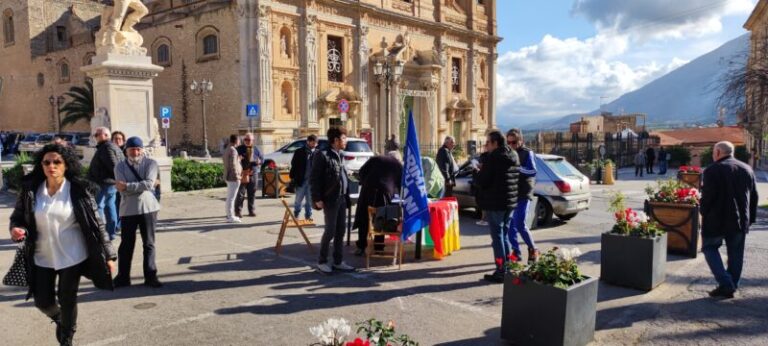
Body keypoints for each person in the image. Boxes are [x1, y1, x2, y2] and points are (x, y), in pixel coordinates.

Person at [9, 144, 116, 345]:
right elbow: (17, 217)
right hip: (42, 256)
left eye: (57, 162)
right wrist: (16, 228)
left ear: (66, 165)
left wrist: (109, 255)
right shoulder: (31, 190)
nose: (52, 166)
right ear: (41, 165)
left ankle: (67, 337)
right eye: (46, 162)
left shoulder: (79, 190)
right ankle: (60, 319)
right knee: (43, 302)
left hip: (72, 255)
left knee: (68, 300)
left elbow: (97, 225)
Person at [700, 141, 758, 299]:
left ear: (718, 152)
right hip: (739, 221)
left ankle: (726, 284)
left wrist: (702, 212)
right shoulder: (747, 169)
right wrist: (750, 219)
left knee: (709, 248)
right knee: (736, 254)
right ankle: (731, 285)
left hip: (715, 220)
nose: (713, 155)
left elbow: (707, 197)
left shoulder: (712, 170)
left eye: (713, 152)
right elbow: (754, 197)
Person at [113, 137, 162, 288]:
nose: (135, 152)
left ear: (142, 150)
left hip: (148, 208)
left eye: (138, 149)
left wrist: (127, 186)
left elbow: (148, 184)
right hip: (128, 209)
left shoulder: (151, 163)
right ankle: (123, 277)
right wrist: (140, 187)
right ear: (126, 150)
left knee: (149, 243)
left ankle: (150, 276)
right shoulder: (119, 167)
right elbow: (124, 187)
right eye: (132, 149)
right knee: (126, 244)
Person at [474, 130, 519, 283]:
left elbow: (483, 180)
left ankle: (501, 270)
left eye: (488, 142)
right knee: (504, 234)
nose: (487, 145)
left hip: (496, 202)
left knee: (498, 237)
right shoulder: (513, 154)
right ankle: (508, 267)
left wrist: (477, 171)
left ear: (495, 143)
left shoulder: (493, 158)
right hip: (510, 202)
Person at [311, 126, 355, 273]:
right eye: (344, 138)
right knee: (330, 230)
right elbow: (314, 178)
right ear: (335, 140)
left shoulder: (340, 154)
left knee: (341, 230)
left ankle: (337, 261)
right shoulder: (322, 155)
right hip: (330, 199)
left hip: (341, 198)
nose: (346, 140)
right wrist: (317, 198)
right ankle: (322, 261)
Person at [352, 154, 403, 256]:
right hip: (385, 193)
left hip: (367, 191)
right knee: (381, 219)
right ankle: (378, 247)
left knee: (364, 218)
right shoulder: (397, 164)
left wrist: (366, 182)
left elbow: (361, 172)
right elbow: (400, 183)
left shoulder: (376, 158)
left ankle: (361, 247)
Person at [506, 129, 540, 263]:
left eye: (513, 142)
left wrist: (518, 168)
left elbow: (533, 170)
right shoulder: (509, 153)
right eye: (508, 142)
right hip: (512, 193)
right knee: (510, 226)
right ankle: (516, 252)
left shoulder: (527, 153)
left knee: (520, 224)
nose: (511, 145)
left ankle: (533, 249)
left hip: (523, 193)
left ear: (521, 141)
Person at [88, 126, 125, 240]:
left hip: (105, 183)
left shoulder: (106, 147)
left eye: (96, 135)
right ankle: (110, 232)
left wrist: (118, 179)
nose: (95, 137)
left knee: (99, 206)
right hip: (109, 183)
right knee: (110, 206)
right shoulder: (112, 147)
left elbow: (114, 166)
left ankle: (102, 232)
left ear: (105, 135)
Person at [289, 134, 318, 221]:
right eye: (312, 142)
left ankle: (308, 216)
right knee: (299, 199)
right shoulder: (299, 152)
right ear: (308, 142)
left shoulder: (317, 153)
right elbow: (294, 164)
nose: (314, 144)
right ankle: (297, 213)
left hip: (312, 181)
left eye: (315, 143)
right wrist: (293, 177)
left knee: (309, 200)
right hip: (301, 180)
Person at [235, 133, 263, 217]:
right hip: (243, 173)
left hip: (253, 174)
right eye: (246, 139)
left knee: (252, 193)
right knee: (240, 194)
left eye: (249, 140)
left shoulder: (256, 149)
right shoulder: (239, 149)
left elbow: (262, 158)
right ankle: (238, 211)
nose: (247, 141)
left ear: (253, 141)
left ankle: (251, 211)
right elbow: (233, 160)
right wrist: (238, 159)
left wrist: (260, 161)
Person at [222, 134, 242, 223]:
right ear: (236, 141)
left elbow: (230, 162)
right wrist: (237, 176)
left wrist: (238, 160)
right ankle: (230, 216)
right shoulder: (233, 150)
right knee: (231, 198)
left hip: (228, 175)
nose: (240, 142)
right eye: (239, 140)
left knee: (229, 197)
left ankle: (229, 215)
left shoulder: (227, 149)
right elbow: (233, 165)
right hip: (233, 177)